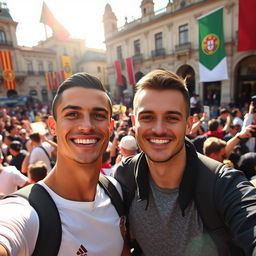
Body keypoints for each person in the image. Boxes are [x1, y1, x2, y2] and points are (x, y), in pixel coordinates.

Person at [114, 69, 256, 255]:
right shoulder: (125, 176)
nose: (158, 129)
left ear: (189, 124)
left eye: (172, 118)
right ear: (134, 122)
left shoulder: (224, 184)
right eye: (147, 117)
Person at [0, 72, 130, 256]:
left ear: (110, 127)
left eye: (98, 115)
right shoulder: (26, 213)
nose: (86, 126)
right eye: (73, 114)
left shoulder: (115, 190)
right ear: (53, 126)